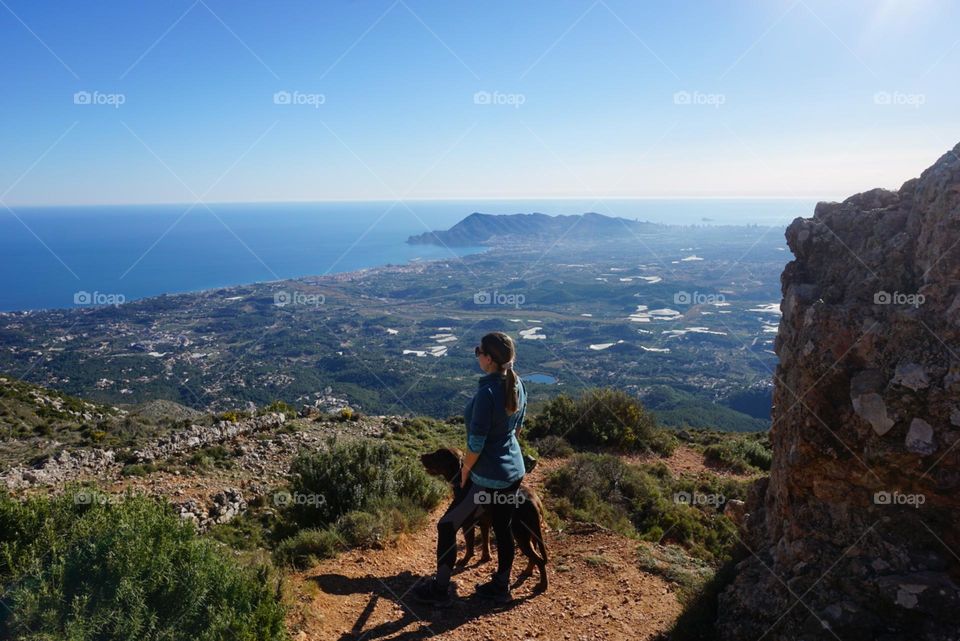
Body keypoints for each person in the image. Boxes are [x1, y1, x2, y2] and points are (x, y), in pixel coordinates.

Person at [413, 331, 527, 606]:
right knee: (503, 527)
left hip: (487, 477)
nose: (477, 355)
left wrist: (465, 472)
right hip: (513, 471)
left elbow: (475, 444)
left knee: (447, 525)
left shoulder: (487, 393)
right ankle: (501, 586)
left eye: (479, 351)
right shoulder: (518, 383)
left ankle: (440, 591)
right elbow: (518, 428)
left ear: (488, 359)